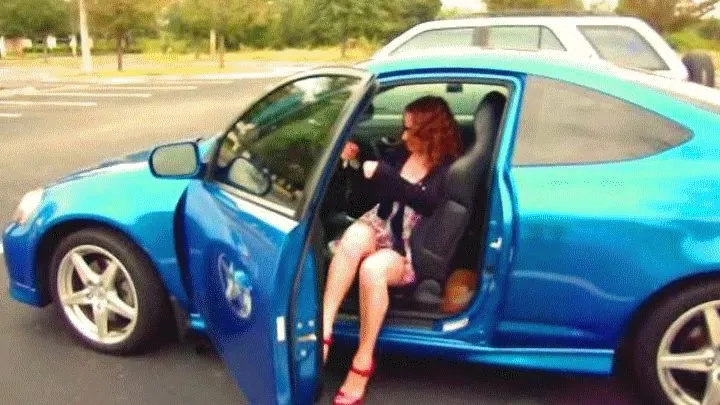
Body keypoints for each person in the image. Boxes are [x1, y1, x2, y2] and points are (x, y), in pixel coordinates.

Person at [323, 95, 462, 405]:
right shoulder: (401, 153)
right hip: (379, 226)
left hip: (407, 248)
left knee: (371, 270)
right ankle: (325, 328)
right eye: (403, 128)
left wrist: (386, 175)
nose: (403, 136)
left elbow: (425, 202)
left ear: (431, 132)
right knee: (353, 240)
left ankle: (362, 361)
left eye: (410, 130)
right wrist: (354, 164)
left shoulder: (447, 168)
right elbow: (363, 201)